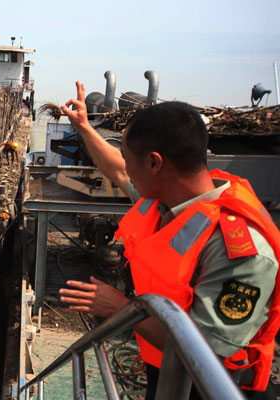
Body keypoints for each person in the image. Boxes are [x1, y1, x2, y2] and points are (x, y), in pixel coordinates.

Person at [58, 81, 280, 398]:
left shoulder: (240, 251)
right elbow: (118, 172)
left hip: (213, 388)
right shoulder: (164, 199)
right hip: (167, 372)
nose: (125, 167)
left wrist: (120, 309)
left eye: (128, 157)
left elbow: (208, 354)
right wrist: (83, 127)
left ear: (154, 163)